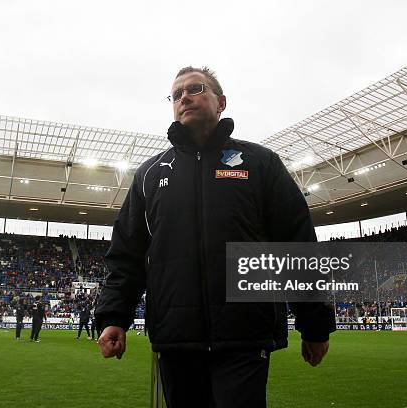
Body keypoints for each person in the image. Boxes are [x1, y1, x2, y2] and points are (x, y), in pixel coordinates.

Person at [95, 66, 336, 408]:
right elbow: (126, 254)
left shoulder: (260, 163)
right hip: (176, 338)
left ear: (220, 102)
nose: (184, 98)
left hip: (244, 335)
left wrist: (315, 324)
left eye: (195, 88)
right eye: (176, 94)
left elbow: (296, 245)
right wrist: (113, 317)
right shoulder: (150, 174)